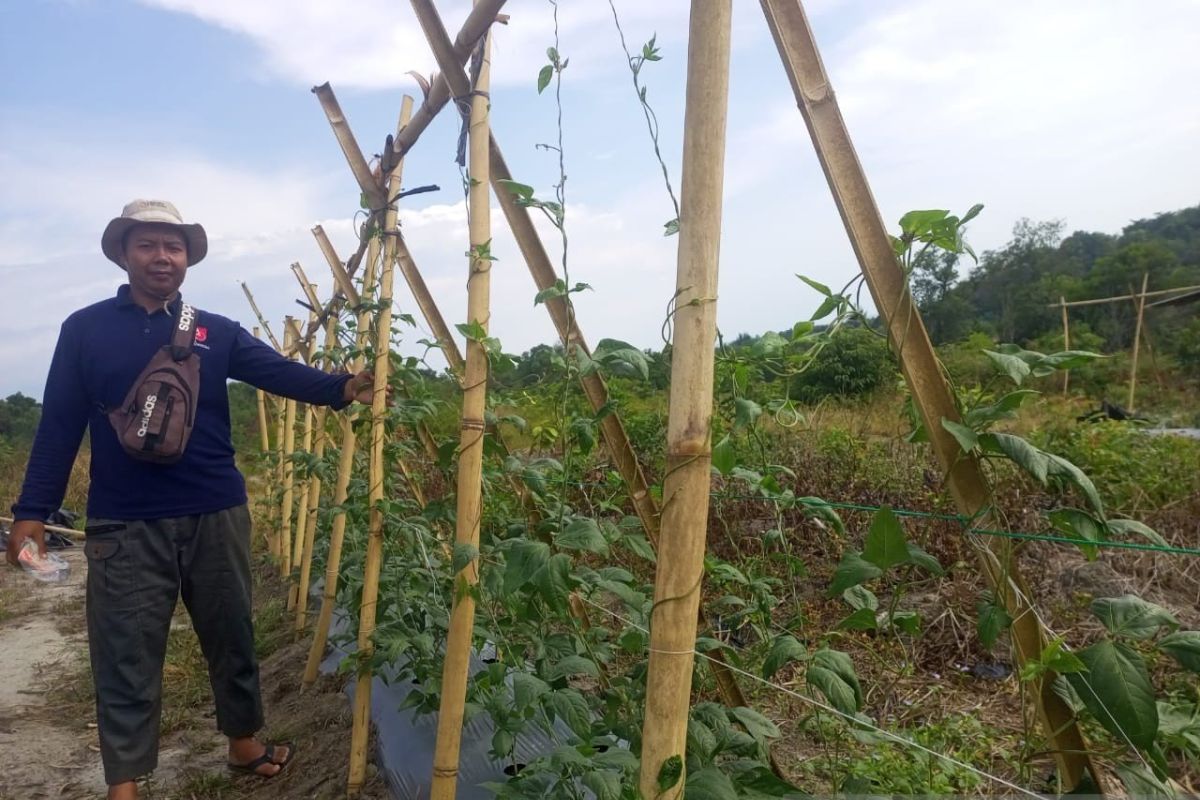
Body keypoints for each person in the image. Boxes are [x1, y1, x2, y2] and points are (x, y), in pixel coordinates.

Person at [5, 199, 377, 800]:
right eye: (148, 245)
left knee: (231, 631)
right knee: (124, 649)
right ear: (124, 254)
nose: (162, 257)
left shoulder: (213, 331)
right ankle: (124, 782)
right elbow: (59, 424)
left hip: (216, 509)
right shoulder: (86, 329)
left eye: (173, 247)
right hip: (124, 520)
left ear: (187, 259)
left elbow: (277, 372)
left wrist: (341, 387)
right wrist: (31, 513)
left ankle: (243, 742)